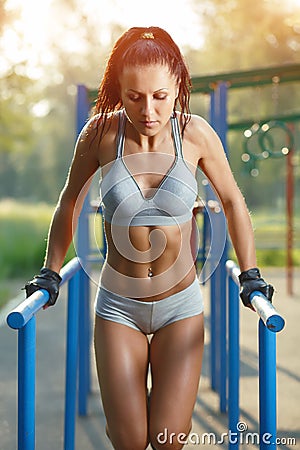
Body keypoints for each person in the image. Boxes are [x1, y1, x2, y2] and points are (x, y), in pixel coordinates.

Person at [25, 26, 274, 450]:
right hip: (120, 306)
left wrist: (250, 273)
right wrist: (50, 273)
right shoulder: (100, 134)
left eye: (160, 96)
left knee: (167, 440)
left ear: (178, 85)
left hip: (180, 306)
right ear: (118, 90)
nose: (148, 110)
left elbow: (232, 200)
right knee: (130, 439)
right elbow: (69, 202)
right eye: (134, 96)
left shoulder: (195, 134)